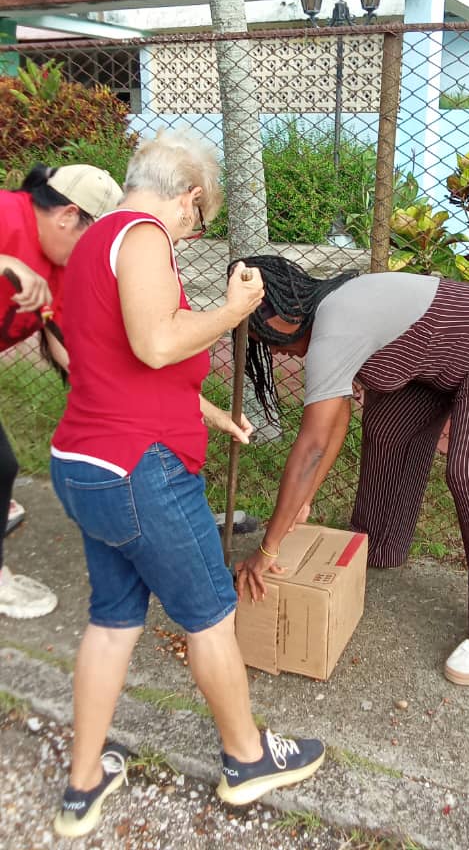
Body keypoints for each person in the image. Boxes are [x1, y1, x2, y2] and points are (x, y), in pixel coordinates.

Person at [49, 131, 324, 839]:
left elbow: (116, 357)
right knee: (209, 614)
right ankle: (247, 757)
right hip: (142, 469)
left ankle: (82, 785)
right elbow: (157, 342)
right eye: (199, 223)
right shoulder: (141, 235)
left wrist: (207, 411)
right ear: (190, 199)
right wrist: (232, 312)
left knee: (112, 621)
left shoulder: (89, 244)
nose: (193, 234)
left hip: (86, 462)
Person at [231, 255, 469, 687]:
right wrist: (300, 504)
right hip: (433, 365)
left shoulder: (333, 327)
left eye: (265, 335)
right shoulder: (330, 322)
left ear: (285, 314)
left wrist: (267, 549)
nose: (272, 349)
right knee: (387, 428)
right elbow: (335, 422)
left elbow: (314, 448)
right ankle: (378, 548)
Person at [0, 162, 123, 619]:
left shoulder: (61, 262)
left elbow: (67, 342)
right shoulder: (6, 214)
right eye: (92, 239)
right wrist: (6, 261)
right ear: (68, 215)